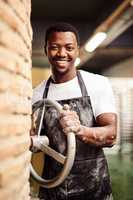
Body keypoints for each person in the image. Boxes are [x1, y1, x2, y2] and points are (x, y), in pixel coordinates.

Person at [32, 22, 117, 200]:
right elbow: (37, 143)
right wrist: (33, 140)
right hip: (53, 188)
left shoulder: (97, 83)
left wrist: (80, 129)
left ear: (77, 50)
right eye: (54, 47)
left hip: (95, 190)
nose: (62, 53)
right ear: (46, 49)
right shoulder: (37, 95)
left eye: (69, 48)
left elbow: (111, 135)